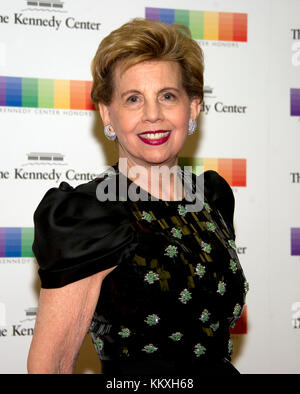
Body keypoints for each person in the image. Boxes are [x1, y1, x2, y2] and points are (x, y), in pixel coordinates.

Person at [27, 18, 248, 375]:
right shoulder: (89, 215)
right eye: (133, 99)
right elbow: (49, 366)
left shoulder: (213, 197)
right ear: (107, 114)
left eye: (167, 96)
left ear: (192, 107)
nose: (153, 115)